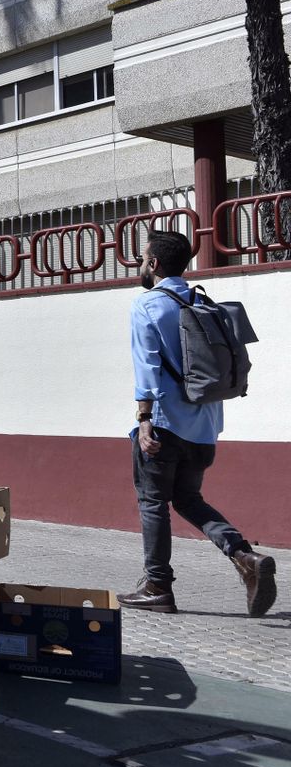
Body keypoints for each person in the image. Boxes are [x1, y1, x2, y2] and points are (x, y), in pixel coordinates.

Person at [117, 230, 276, 616]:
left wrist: (144, 421)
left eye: (143, 257)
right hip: (205, 428)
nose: (141, 263)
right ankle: (245, 557)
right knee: (188, 499)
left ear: (153, 264)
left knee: (153, 501)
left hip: (165, 424)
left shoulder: (148, 305)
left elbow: (148, 367)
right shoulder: (203, 300)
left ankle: (157, 585)